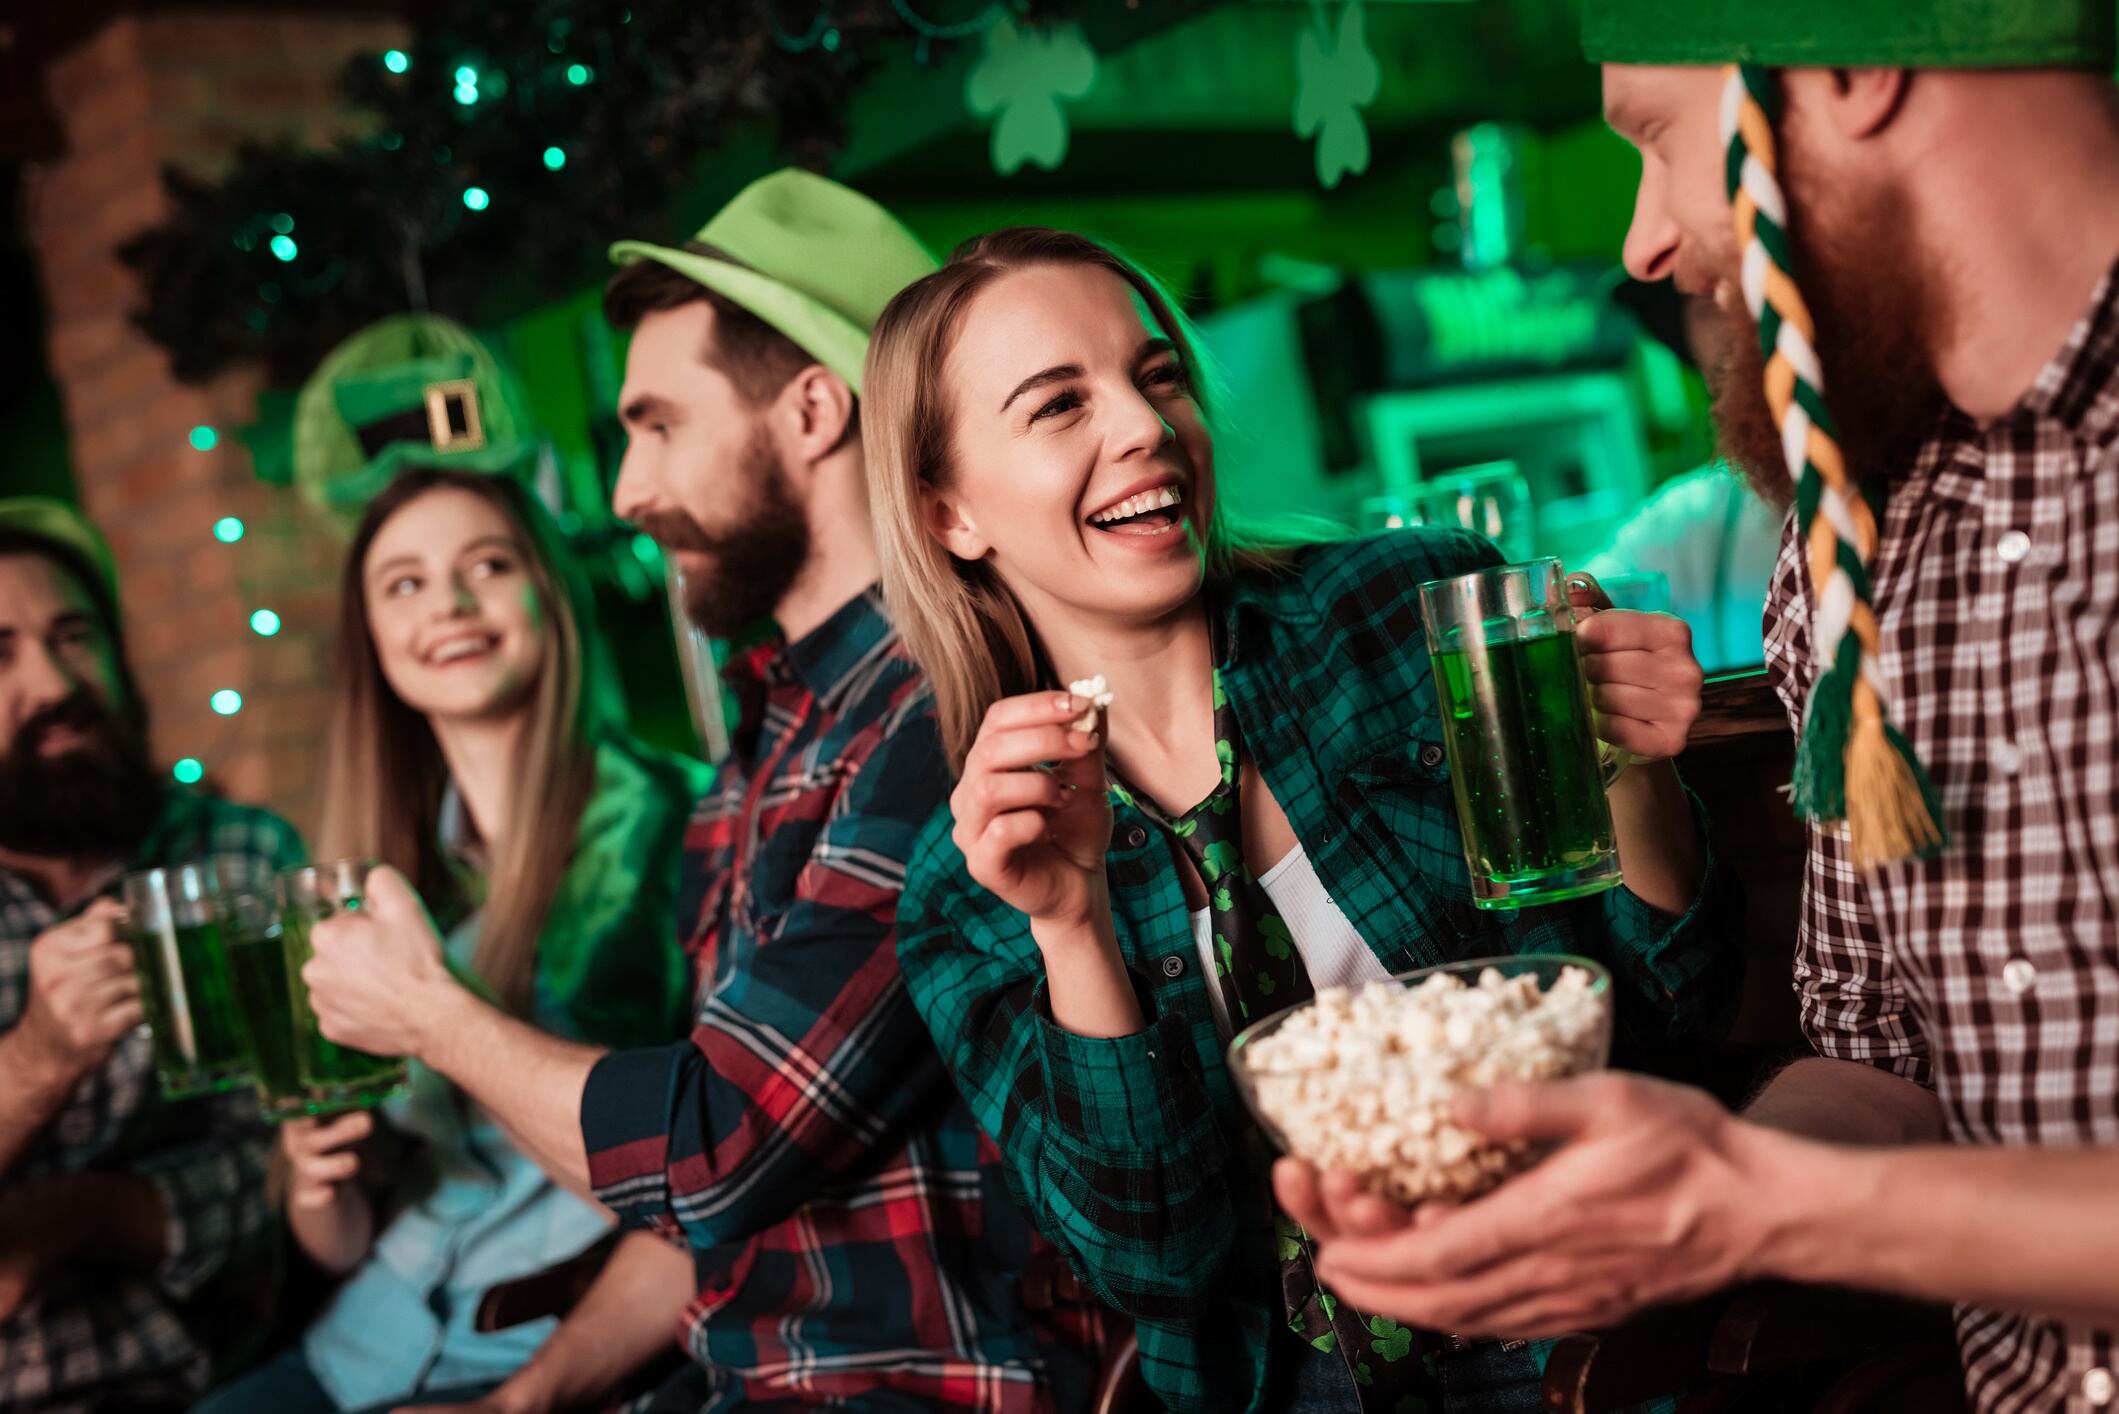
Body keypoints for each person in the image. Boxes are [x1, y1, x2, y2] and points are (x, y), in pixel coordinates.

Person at [1274, 6, 2119, 1413]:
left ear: (1847, 73)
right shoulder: (1850, 542)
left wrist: (1765, 1201)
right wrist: (1651, 1176)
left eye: (1656, 140)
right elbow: (1877, 1059)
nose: (1641, 243)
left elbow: (1792, 1194)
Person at [865, 226, 1739, 1414]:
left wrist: (1630, 772)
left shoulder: (1410, 616)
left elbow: (1675, 1022)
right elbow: (1162, 1262)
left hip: (1583, 1334)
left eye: (1156, 374)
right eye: (1059, 405)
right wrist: (1073, 928)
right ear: (950, 511)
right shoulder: (971, 884)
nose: (1143, 427)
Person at [297, 170, 1104, 1411]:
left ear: (813, 412)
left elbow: (715, 1149)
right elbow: (699, 1220)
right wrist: (525, 1402)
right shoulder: (765, 747)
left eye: (657, 425)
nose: (624, 493)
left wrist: (427, 1012)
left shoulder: (933, 712)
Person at [193, 467, 707, 1414]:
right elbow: (343, 1239)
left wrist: (442, 1019)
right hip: (371, 1331)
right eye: (405, 583)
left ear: (548, 593)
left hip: (550, 1343)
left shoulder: (686, 828)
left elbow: (706, 1191)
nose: (449, 605)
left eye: (487, 564)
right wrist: (316, 1182)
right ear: (373, 638)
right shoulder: (378, 874)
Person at [0, 498, 304, 1414]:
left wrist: (80, 1215)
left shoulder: (241, 856)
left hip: (245, 1371)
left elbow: (303, 1161)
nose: (53, 683)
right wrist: (39, 1058)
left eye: (73, 634)